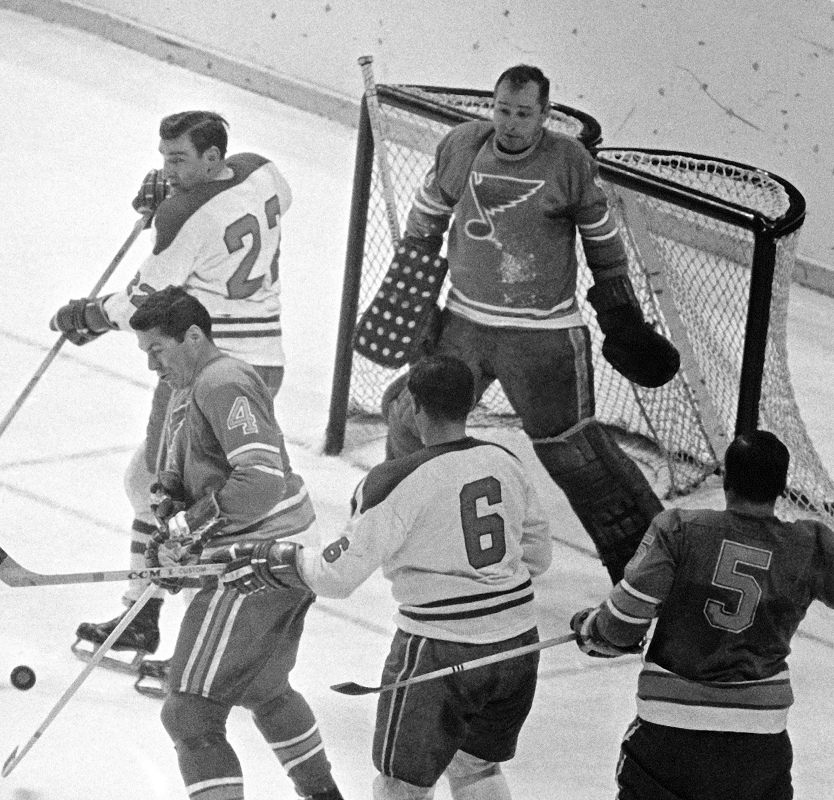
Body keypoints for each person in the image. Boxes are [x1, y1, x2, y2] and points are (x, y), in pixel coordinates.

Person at [380, 64, 680, 586]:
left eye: (524, 113)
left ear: (545, 114)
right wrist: (414, 293)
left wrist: (619, 313)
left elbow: (603, 243)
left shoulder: (568, 162)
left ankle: (651, 572)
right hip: (465, 325)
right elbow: (426, 220)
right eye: (503, 110)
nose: (511, 123)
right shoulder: (462, 146)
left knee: (576, 456)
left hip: (543, 337)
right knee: (412, 419)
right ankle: (403, 533)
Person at [220, 354, 553, 800]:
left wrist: (279, 556)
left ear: (411, 406)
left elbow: (335, 577)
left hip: (439, 650)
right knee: (477, 768)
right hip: (518, 645)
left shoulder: (395, 481)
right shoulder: (504, 460)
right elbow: (539, 555)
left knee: (401, 785)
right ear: (471, 403)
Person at [49, 109, 292, 669]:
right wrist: (179, 191)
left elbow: (144, 302)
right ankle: (149, 610)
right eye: (164, 158)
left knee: (165, 490)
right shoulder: (264, 172)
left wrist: (90, 313)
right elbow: (236, 210)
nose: (168, 169)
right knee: (153, 482)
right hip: (264, 361)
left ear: (212, 157)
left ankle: (162, 618)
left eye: (178, 159)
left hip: (203, 366)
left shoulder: (185, 215)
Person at [570, 430, 834, 800]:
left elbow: (620, 627)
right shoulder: (812, 545)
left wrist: (591, 627)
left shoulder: (678, 529)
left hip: (669, 733)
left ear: (726, 480)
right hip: (757, 743)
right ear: (781, 487)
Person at [129, 286, 343, 800]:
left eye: (157, 350)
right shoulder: (193, 383)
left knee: (189, 712)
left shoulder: (223, 381)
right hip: (272, 551)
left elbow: (261, 478)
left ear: (194, 336)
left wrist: (188, 529)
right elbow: (187, 477)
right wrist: (169, 518)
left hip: (260, 557)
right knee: (265, 690)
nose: (152, 365)